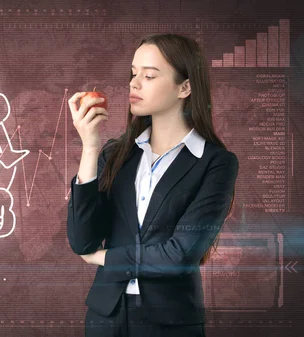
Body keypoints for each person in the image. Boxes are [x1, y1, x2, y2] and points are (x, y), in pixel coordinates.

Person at [66, 33, 239, 337]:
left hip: (172, 322)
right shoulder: (115, 153)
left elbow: (180, 255)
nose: (134, 83)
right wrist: (90, 149)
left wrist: (104, 258)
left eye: (148, 75)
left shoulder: (216, 163)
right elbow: (82, 242)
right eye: (133, 74)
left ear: (184, 87)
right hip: (106, 317)